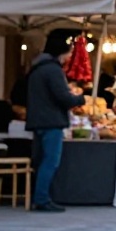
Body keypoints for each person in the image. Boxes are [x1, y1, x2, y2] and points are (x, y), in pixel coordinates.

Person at [26, 28, 85, 212]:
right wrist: (80, 98)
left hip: (38, 120)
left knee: (41, 160)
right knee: (50, 161)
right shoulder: (53, 70)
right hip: (51, 121)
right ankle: (42, 199)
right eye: (68, 53)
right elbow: (63, 97)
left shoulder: (37, 68)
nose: (69, 57)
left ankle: (40, 196)